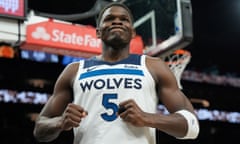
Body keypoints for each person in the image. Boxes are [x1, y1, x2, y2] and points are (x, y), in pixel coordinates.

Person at [33, 2, 199, 144]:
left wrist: (147, 118)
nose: (117, 22)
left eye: (124, 19)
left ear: (133, 32)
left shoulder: (153, 66)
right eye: (109, 19)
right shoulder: (74, 70)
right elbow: (40, 128)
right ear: (98, 32)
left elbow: (192, 126)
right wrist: (60, 122)